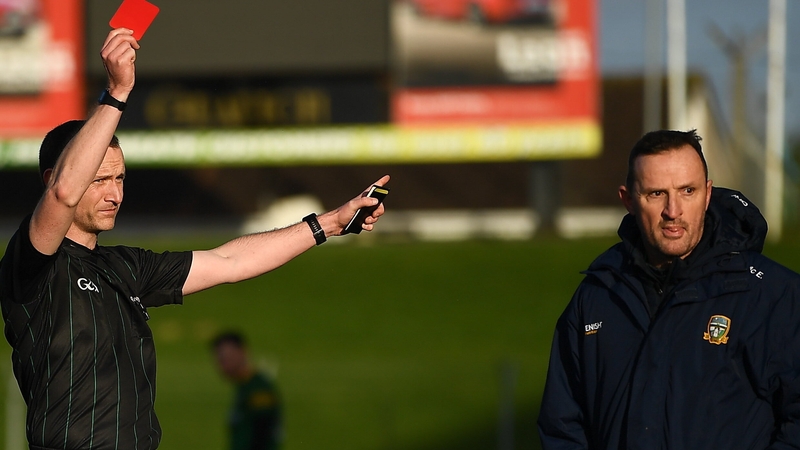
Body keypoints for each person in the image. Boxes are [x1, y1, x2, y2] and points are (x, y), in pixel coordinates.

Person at [0, 28, 389, 450]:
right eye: (99, 180)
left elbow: (231, 262)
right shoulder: (32, 265)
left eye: (120, 178)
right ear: (52, 178)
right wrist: (116, 93)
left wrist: (329, 224)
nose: (115, 194)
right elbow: (63, 194)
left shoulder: (127, 268)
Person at [537, 129, 800, 449]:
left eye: (687, 191)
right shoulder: (596, 297)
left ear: (707, 194)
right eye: (656, 194)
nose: (672, 211)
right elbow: (562, 426)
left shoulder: (774, 296)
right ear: (629, 200)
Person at [211, 332, 282, 450]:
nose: (223, 365)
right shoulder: (245, 387)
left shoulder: (258, 389)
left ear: (243, 352)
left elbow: (261, 436)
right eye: (219, 360)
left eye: (227, 357)